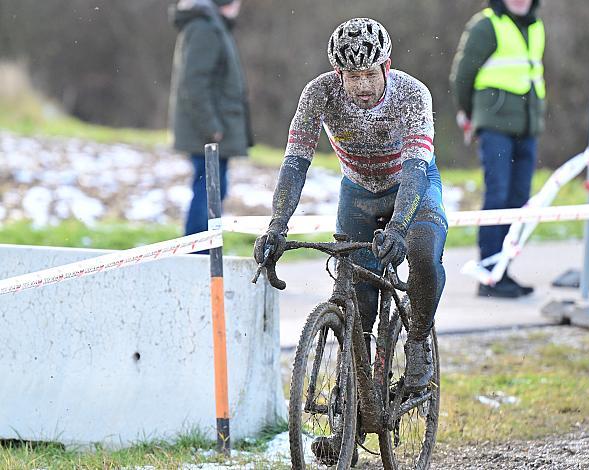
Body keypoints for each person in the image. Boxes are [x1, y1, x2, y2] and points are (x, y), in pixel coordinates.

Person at [253, 17, 447, 452]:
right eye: (350, 76)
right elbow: (296, 162)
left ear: (387, 66)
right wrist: (276, 227)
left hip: (413, 184)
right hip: (357, 191)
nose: (360, 85)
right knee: (356, 305)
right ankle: (350, 424)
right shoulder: (319, 93)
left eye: (368, 74)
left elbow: (417, 168)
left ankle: (417, 339)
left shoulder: (413, 95)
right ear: (337, 73)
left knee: (421, 249)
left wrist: (398, 227)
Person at [450, 0, 545, 298]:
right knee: (498, 196)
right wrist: (472, 115)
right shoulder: (485, 25)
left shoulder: (536, 26)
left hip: (527, 127)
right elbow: (462, 76)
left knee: (519, 199)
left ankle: (503, 271)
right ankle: (489, 275)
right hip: (495, 127)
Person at [168, 0, 253, 241]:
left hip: (215, 129)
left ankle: (202, 251)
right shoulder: (206, 29)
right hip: (209, 132)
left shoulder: (212, 25)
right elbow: (194, 84)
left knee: (213, 191)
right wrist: (211, 127)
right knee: (208, 192)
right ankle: (198, 252)